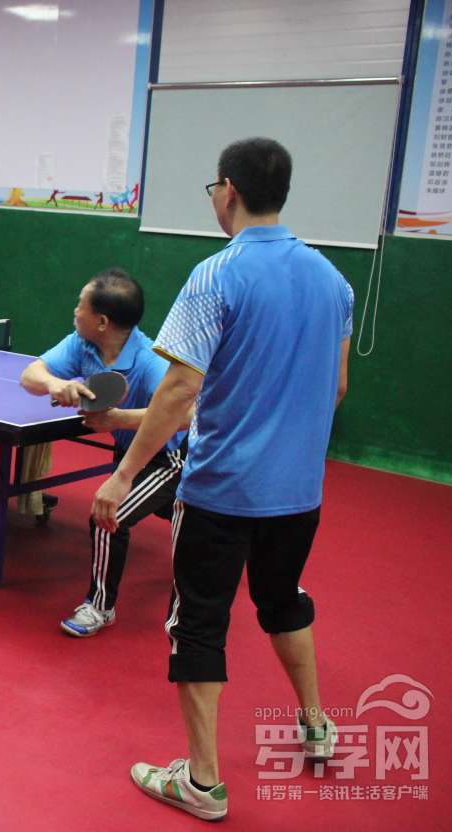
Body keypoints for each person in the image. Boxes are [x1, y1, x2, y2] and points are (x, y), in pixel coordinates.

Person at [92, 138, 353, 821]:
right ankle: (317, 725)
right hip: (299, 494)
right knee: (282, 599)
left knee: (198, 624)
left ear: (229, 191)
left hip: (219, 492)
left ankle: (202, 784)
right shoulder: (335, 282)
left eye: (214, 187)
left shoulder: (216, 275)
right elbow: (337, 388)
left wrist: (123, 476)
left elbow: (180, 389)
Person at [20, 268, 189, 638]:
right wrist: (55, 382)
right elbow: (29, 375)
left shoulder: (151, 362)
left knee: (108, 515)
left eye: (80, 305)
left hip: (171, 457)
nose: (74, 310)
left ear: (102, 322)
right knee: (176, 515)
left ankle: (99, 607)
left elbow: (186, 416)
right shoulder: (83, 344)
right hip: (130, 451)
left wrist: (118, 419)